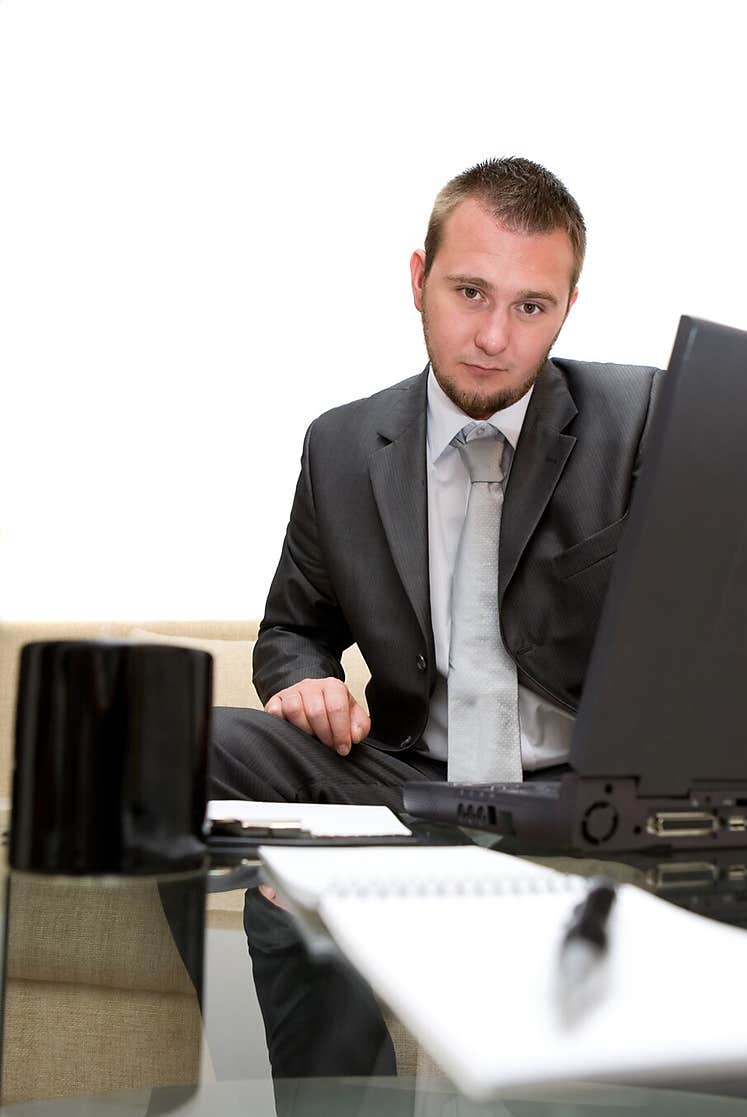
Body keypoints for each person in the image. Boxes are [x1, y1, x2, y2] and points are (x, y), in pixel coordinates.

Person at [211, 156, 663, 806]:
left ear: (567, 308)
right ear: (421, 280)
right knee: (191, 744)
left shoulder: (645, 415)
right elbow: (294, 631)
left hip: (588, 787)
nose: (492, 337)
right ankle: (291, 902)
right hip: (408, 776)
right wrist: (305, 681)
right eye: (471, 292)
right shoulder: (339, 445)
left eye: (531, 306)